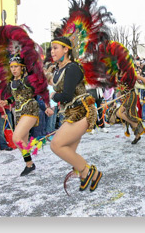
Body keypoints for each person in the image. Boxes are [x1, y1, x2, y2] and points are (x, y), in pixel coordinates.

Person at [0, 25, 52, 176]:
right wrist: (7, 102)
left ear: (22, 67)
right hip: (18, 112)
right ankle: (29, 162)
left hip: (30, 110)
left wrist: (46, 108)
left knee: (16, 138)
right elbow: (14, 97)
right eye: (11, 67)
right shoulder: (11, 82)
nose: (13, 69)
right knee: (21, 143)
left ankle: (30, 164)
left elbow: (38, 93)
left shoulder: (28, 80)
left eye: (16, 67)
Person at [49, 36, 102, 192]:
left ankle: (89, 171)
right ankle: (87, 175)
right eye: (51, 48)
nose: (52, 51)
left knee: (56, 145)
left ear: (66, 49)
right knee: (69, 151)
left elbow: (65, 95)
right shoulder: (58, 69)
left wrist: (54, 96)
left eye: (55, 48)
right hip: (71, 112)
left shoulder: (72, 68)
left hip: (82, 110)